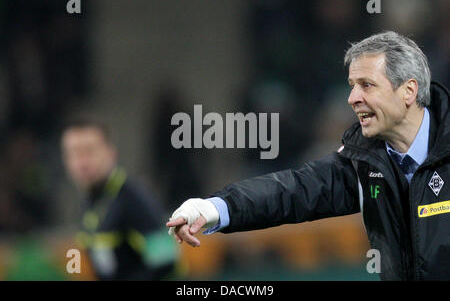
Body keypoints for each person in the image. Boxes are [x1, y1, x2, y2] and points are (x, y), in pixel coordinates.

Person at [166, 31, 450, 281]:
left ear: (409, 91)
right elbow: (292, 190)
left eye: (367, 85)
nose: (352, 98)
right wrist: (214, 208)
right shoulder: (365, 162)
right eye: (352, 85)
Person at [61, 117, 178, 280]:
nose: (82, 162)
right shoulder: (90, 202)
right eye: (74, 153)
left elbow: (167, 261)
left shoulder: (134, 199)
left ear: (110, 153)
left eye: (89, 151)